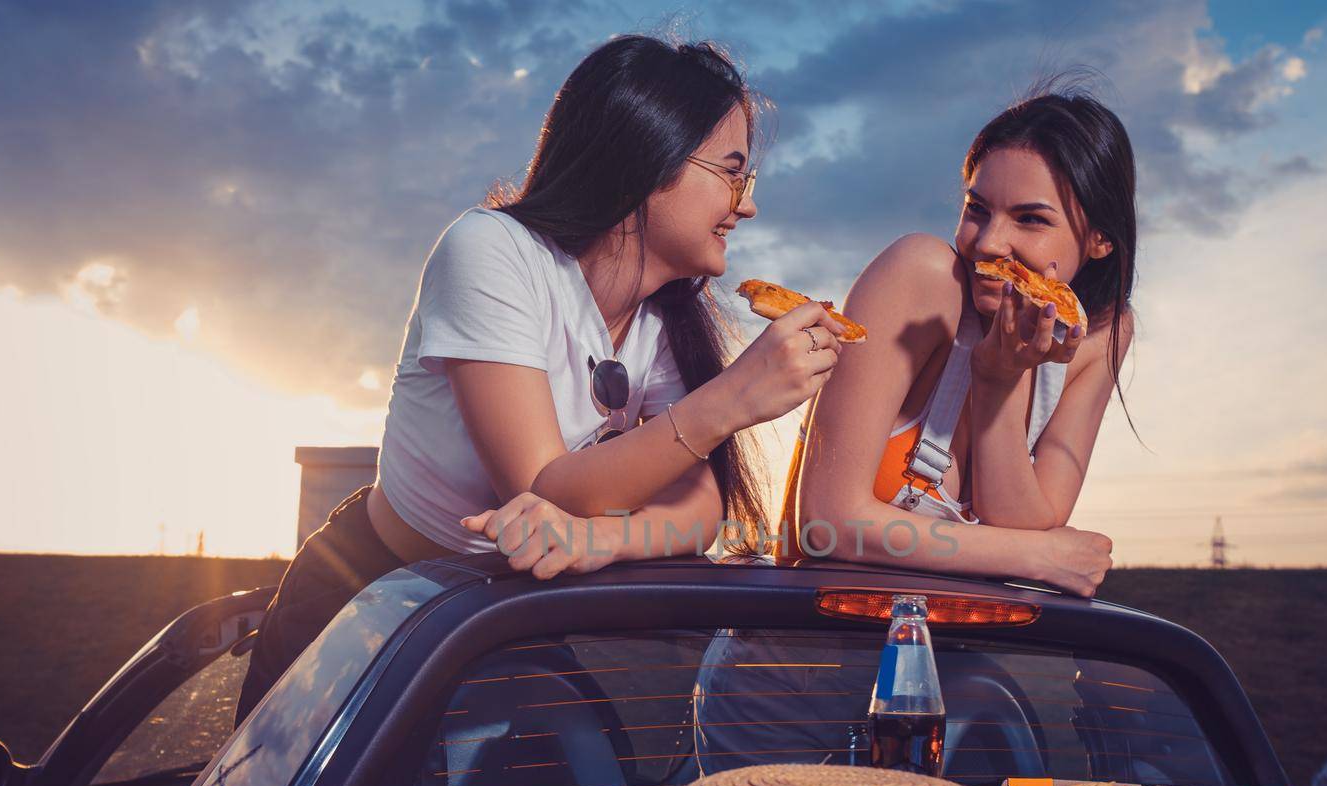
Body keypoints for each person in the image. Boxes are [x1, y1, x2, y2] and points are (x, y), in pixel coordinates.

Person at [235, 36, 846, 722]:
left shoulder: (666, 314)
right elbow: (538, 488)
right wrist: (734, 398)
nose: (747, 206)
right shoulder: (490, 251)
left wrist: (602, 539)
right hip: (370, 600)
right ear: (650, 155)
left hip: (506, 615)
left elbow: (700, 506)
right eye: (733, 174)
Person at [778, 87, 1136, 597]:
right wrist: (1040, 556)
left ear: (1100, 238)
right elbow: (827, 522)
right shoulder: (922, 278)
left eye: (1030, 219)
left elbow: (1020, 518)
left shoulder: (1100, 336)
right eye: (977, 209)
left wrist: (998, 379)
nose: (988, 243)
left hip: (944, 665)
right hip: (801, 662)